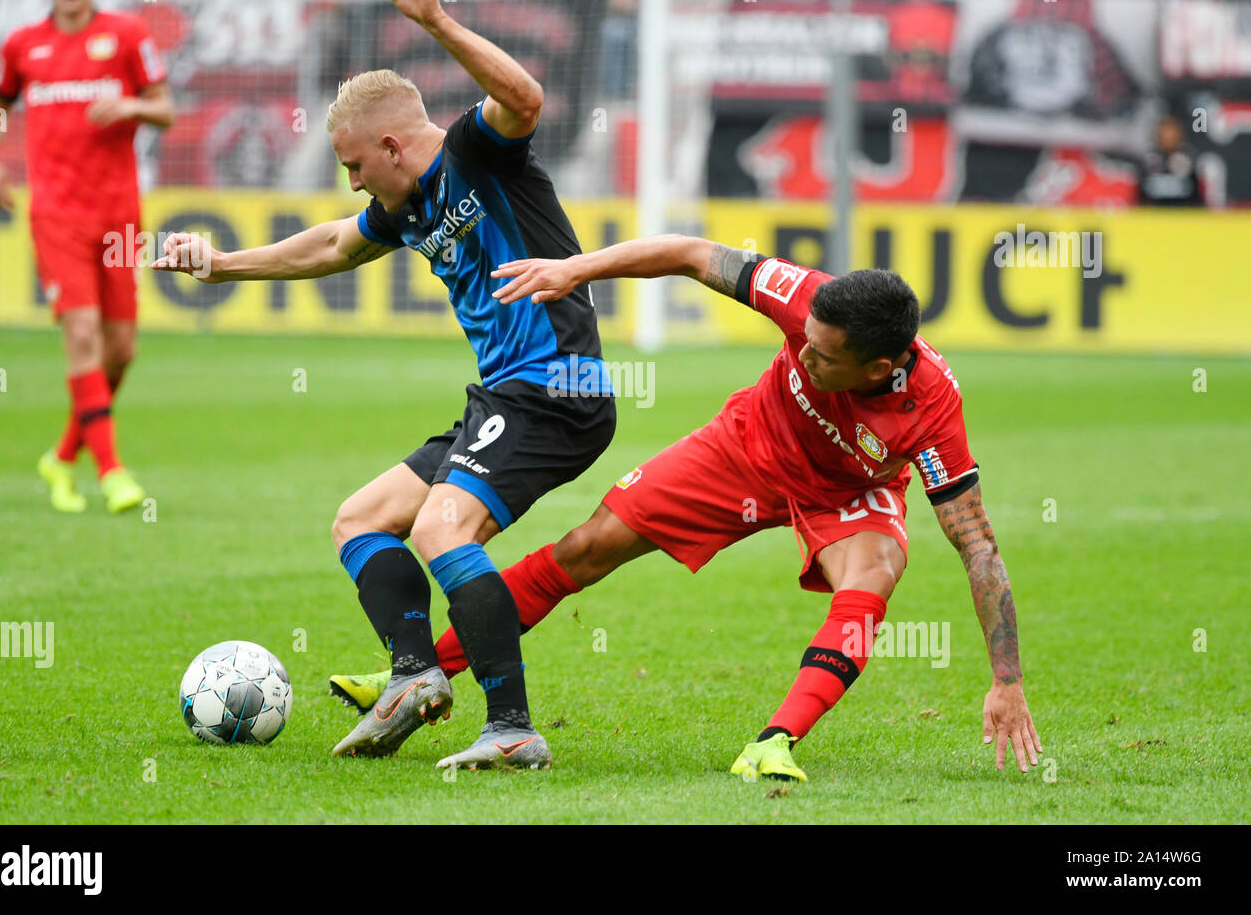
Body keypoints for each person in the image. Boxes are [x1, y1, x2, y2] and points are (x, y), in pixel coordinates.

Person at [153, 0, 615, 770]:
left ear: (393, 144)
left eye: (355, 165)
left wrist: (436, 21)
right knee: (360, 518)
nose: (354, 180)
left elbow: (526, 100)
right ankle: (412, 679)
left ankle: (512, 728)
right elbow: (332, 243)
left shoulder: (480, 154)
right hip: (502, 396)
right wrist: (222, 265)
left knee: (442, 528)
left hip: (556, 386)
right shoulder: (404, 208)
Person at [409, 236, 1041, 777]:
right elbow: (688, 253)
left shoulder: (929, 411)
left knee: (873, 574)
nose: (804, 354)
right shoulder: (804, 297)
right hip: (747, 443)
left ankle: (774, 744)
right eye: (805, 342)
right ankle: (423, 677)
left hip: (849, 490)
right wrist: (578, 268)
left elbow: (977, 545)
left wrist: (1006, 681)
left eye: (823, 356)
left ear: (878, 368)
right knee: (588, 547)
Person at [0, 0, 174, 514]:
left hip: (118, 216)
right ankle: (111, 472)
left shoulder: (128, 36)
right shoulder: (22, 46)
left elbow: (165, 107)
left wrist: (132, 108)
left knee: (122, 349)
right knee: (82, 335)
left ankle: (61, 457)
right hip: (56, 215)